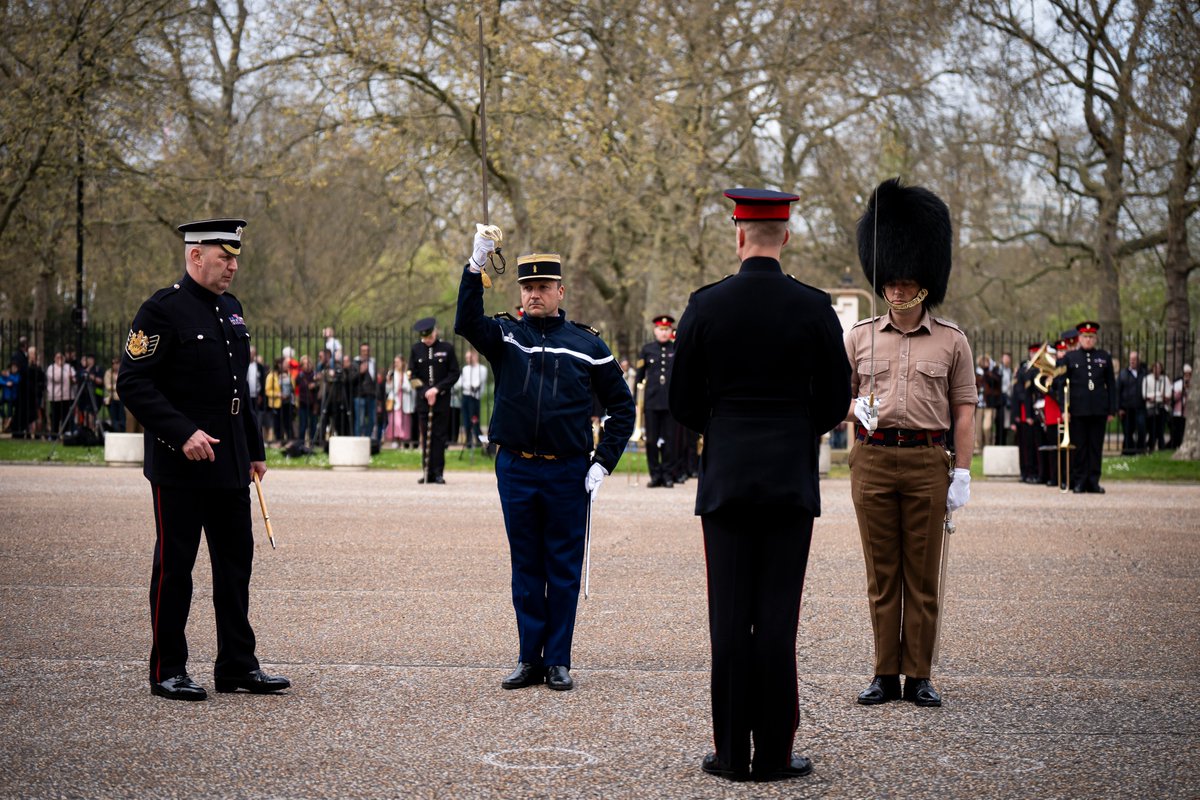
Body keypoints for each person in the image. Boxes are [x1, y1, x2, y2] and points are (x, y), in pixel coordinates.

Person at [667, 188, 850, 784]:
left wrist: (724, 428)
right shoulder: (814, 306)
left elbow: (683, 401)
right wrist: (796, 430)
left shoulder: (706, 304)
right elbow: (834, 399)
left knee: (729, 619)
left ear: (739, 236)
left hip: (725, 481)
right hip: (790, 482)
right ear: (786, 236)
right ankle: (774, 752)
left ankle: (729, 753)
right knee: (777, 620)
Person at [117, 217, 289, 701]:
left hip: (231, 461)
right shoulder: (162, 309)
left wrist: (254, 450)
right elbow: (132, 382)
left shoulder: (232, 309)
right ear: (196, 256)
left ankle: (236, 664)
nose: (233, 265)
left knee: (235, 566)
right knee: (176, 569)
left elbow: (240, 390)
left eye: (235, 258)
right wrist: (182, 431)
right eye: (224, 256)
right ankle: (167, 668)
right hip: (181, 464)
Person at [455, 237, 634, 693]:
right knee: (527, 566)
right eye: (527, 286)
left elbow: (622, 407)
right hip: (516, 467)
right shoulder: (506, 336)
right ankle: (528, 658)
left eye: (543, 285)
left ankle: (558, 659)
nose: (533, 293)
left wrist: (604, 462)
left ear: (561, 291)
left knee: (563, 566)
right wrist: (475, 266)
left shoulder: (587, 345)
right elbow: (465, 321)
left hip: (567, 471)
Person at [844, 178, 976, 710]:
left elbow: (964, 410)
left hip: (926, 461)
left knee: (922, 577)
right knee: (882, 576)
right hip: (872, 461)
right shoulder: (859, 336)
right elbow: (839, 399)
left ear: (923, 280)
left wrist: (961, 472)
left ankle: (919, 674)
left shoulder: (952, 340)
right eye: (890, 282)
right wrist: (855, 408)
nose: (896, 290)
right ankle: (884, 672)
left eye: (905, 282)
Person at [1055, 321, 1116, 493]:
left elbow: (1111, 384)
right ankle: (1080, 480)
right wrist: (1064, 410)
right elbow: (1061, 385)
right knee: (1080, 446)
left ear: (1095, 338)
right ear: (1079, 338)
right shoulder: (1070, 358)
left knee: (1096, 447)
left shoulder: (1104, 357)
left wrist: (1112, 409)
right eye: (1085, 337)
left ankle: (1094, 480)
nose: (1088, 340)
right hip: (1077, 409)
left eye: (1091, 337)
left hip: (1098, 409)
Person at [409, 317, 459, 484]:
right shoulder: (416, 349)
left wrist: (437, 389)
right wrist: (425, 391)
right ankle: (427, 471)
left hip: (442, 400)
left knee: (439, 436)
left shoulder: (447, 348)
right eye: (425, 338)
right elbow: (412, 376)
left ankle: (438, 472)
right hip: (424, 401)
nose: (427, 341)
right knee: (425, 434)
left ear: (435, 332)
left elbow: (454, 373)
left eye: (429, 337)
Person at [636, 314, 679, 488]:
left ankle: (668, 474)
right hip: (652, 402)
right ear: (655, 330)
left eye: (666, 329)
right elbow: (639, 379)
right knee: (651, 440)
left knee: (670, 441)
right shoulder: (647, 350)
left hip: (670, 402)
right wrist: (636, 402)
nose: (663, 332)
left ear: (671, 331)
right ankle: (655, 474)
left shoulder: (676, 348)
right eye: (660, 329)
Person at [1011, 343, 1044, 483]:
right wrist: (1015, 416)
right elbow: (1017, 393)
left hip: (1037, 411)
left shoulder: (1041, 368)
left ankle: (1036, 472)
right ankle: (1026, 472)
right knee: (1025, 445)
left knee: (1036, 445)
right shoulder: (1024, 368)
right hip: (1024, 411)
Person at [458, 349, 488, 448]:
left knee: (475, 421)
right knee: (466, 421)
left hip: (474, 398)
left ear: (475, 357)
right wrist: (468, 385)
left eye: (469, 357)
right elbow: (460, 383)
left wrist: (468, 385)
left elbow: (476, 384)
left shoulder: (482, 369)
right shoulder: (465, 369)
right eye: (466, 358)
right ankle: (469, 444)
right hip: (466, 396)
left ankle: (479, 444)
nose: (467, 359)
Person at [1118, 350, 1146, 454]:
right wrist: (1119, 408)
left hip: (1140, 407)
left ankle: (1140, 450)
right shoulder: (1123, 374)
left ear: (1138, 361)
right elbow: (1118, 391)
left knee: (1141, 429)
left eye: (1134, 359)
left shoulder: (1143, 373)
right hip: (1126, 408)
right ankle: (1128, 451)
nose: (1132, 361)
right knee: (1128, 431)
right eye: (1131, 359)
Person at [384, 356, 413, 448]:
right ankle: (395, 439)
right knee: (395, 421)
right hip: (394, 401)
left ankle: (402, 441)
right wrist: (388, 382)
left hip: (404, 401)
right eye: (395, 362)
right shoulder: (392, 373)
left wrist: (402, 383)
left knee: (404, 422)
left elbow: (409, 388)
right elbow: (388, 390)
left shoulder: (406, 374)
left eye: (398, 362)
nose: (396, 364)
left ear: (402, 363)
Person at [45, 351, 74, 438]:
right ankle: (54, 435)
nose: (60, 359)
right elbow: (56, 378)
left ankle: (66, 434)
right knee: (55, 417)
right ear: (54, 359)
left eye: (61, 358)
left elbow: (73, 377)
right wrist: (62, 369)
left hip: (67, 396)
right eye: (57, 358)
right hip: (55, 397)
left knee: (66, 416)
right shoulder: (51, 368)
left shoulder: (68, 366)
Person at [1142, 360, 1169, 453]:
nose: (1156, 370)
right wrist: (1159, 395)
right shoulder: (1147, 379)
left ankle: (1162, 449)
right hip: (1151, 408)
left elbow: (1167, 396)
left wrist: (1155, 397)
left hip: (1162, 408)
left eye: (1158, 368)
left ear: (1161, 369)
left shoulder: (1165, 379)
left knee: (1160, 430)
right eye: (1155, 368)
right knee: (1152, 430)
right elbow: (1145, 395)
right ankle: (1151, 448)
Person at [1169, 364, 1191, 448]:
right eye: (1186, 374)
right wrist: (1182, 390)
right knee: (1177, 430)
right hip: (1178, 411)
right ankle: (1175, 445)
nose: (1187, 376)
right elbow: (1173, 398)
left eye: (1189, 374)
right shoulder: (1177, 383)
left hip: (1188, 411)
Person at [104, 356, 126, 432]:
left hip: (122, 399)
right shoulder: (108, 372)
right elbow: (107, 386)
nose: (115, 365)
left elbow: (125, 385)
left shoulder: (123, 371)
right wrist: (118, 385)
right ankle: (115, 432)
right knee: (114, 418)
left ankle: (122, 432)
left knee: (122, 418)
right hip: (111, 399)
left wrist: (115, 385)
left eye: (117, 363)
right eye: (113, 363)